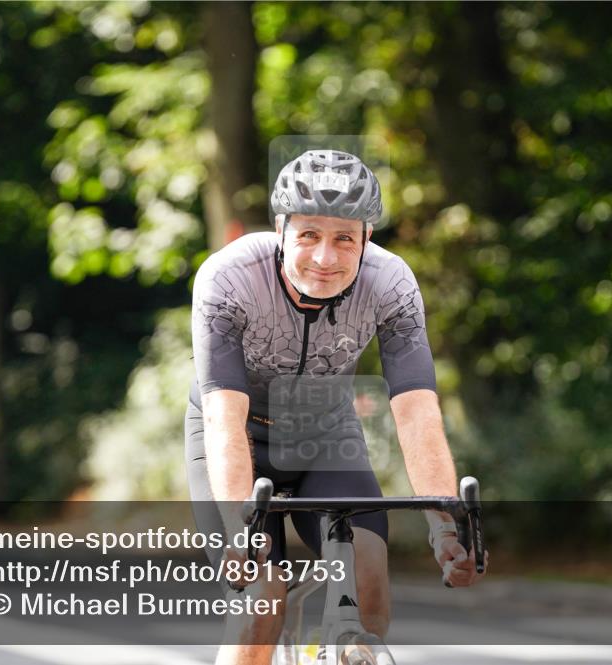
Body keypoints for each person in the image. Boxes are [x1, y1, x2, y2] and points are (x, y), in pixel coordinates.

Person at [187, 149, 485, 665]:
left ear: (366, 238)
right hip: (237, 436)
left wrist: (443, 526)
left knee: (368, 576)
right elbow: (222, 416)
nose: (325, 258)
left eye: (344, 237)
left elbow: (416, 411)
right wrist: (242, 534)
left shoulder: (391, 284)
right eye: (308, 235)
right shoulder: (229, 278)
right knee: (261, 601)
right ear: (281, 229)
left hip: (323, 433)